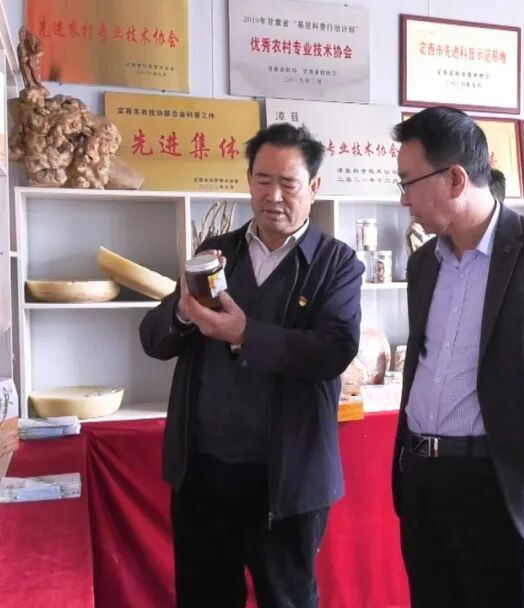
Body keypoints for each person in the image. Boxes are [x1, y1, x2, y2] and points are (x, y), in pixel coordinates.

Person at [391, 106, 524, 607]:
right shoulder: (424, 263)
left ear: (454, 179)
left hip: (501, 484)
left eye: (408, 182)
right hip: (423, 480)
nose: (403, 199)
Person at [139, 123, 364, 608]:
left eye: (288, 183)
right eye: (263, 180)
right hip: (203, 474)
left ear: (314, 187)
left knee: (286, 599)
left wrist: (244, 334)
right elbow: (153, 339)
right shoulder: (216, 253)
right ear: (248, 180)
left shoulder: (337, 264)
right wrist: (184, 311)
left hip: (286, 482)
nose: (273, 196)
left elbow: (332, 352)